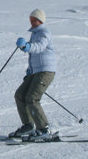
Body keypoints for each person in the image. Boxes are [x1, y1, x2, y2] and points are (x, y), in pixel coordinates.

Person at [10, 9, 56, 142]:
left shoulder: (44, 33)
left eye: (33, 19)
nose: (31, 22)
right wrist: (30, 71)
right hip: (36, 71)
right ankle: (28, 125)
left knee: (32, 98)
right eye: (30, 19)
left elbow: (39, 47)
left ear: (40, 20)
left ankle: (43, 129)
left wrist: (27, 46)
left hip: (46, 71)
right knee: (20, 95)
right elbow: (34, 57)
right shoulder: (35, 34)